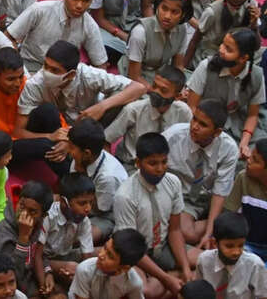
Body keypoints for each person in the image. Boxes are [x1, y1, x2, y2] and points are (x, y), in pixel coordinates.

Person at [113, 132, 193, 298]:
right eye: (152, 163)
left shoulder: (173, 182)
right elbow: (130, 248)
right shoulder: (125, 195)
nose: (160, 169)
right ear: (138, 163)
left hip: (163, 246)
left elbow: (175, 230)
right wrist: (166, 279)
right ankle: (171, 276)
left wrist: (185, 268)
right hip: (136, 254)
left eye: (164, 162)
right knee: (146, 291)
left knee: (205, 263)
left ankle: (176, 274)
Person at [165, 99, 239, 248]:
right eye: (194, 119)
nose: (194, 127)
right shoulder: (173, 135)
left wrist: (209, 233)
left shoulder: (229, 149)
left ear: (217, 132)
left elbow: (220, 193)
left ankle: (218, 221)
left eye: (203, 124)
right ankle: (224, 221)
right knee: (188, 234)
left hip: (207, 199)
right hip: (179, 197)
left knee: (191, 232)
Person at [17, 40, 144, 125]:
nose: (46, 72)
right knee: (47, 111)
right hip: (56, 128)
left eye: (54, 70)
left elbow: (138, 87)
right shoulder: (34, 84)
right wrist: (52, 136)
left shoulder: (88, 74)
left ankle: (103, 140)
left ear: (71, 74)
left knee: (123, 96)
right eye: (45, 66)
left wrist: (101, 107)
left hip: (91, 121)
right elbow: (19, 131)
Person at [4, 0, 107, 73]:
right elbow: (8, 37)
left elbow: (100, 64)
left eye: (86, 0)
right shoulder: (39, 10)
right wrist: (19, 70)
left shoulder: (90, 25)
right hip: (31, 68)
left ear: (92, 0)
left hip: (64, 76)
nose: (79, 5)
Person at [187, 27, 265, 156]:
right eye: (223, 44)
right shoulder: (206, 66)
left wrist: (244, 142)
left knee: (254, 154)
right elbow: (192, 106)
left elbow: (252, 115)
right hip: (205, 121)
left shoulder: (256, 75)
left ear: (243, 58)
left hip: (237, 123)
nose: (221, 50)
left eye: (228, 49)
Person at [104, 65, 191, 169]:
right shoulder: (134, 110)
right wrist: (111, 169)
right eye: (154, 86)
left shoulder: (183, 112)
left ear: (176, 96)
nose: (155, 92)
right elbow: (106, 140)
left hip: (164, 168)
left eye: (163, 90)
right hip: (130, 165)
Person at [0, 181, 53, 294]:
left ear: (43, 216)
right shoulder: (3, 232)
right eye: (22, 206)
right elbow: (12, 274)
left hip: (27, 279)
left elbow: (39, 253)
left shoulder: (38, 225)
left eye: (32, 211)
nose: (23, 214)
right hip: (3, 286)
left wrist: (47, 272)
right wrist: (23, 238)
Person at [67, 118, 129, 243]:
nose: (69, 151)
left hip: (107, 216)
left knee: (72, 239)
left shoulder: (108, 177)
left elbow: (100, 209)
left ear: (87, 153)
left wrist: (81, 176)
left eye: (72, 147)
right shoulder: (81, 159)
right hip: (83, 205)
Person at [124, 0, 191, 82]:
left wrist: (179, 88)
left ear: (183, 15)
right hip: (138, 79)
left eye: (174, 12)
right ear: (157, 7)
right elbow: (134, 77)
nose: (167, 16)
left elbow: (178, 65)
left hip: (161, 77)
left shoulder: (182, 29)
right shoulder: (140, 32)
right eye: (164, 8)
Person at [194, 212, 267, 298]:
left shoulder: (254, 265)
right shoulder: (204, 260)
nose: (236, 252)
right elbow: (199, 291)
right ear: (214, 243)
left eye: (240, 245)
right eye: (229, 246)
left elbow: (263, 296)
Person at [41, 174, 96, 279]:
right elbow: (36, 256)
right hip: (44, 260)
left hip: (65, 255)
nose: (88, 208)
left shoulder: (84, 220)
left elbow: (87, 256)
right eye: (82, 203)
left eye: (91, 202)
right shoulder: (48, 216)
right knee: (73, 267)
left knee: (98, 257)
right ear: (64, 202)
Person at [68, 229, 147, 299]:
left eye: (110, 256)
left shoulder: (134, 282)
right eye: (105, 248)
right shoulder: (85, 269)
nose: (101, 255)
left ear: (124, 268)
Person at [226, 139, 267, 262]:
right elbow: (229, 214)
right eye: (251, 155)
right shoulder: (243, 178)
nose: (248, 160)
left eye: (255, 160)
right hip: (245, 245)